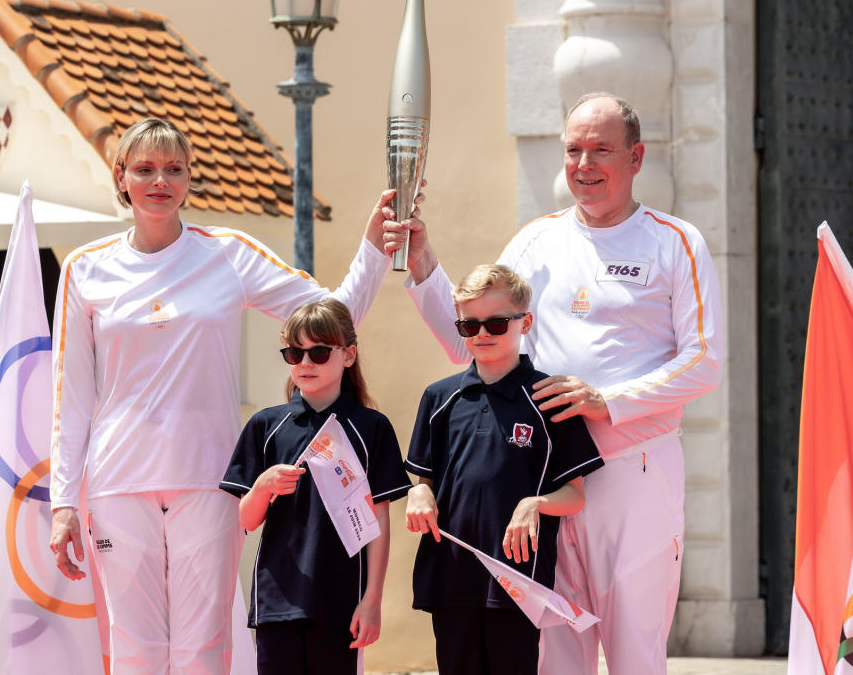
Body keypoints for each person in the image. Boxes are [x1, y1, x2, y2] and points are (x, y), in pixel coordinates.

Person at [384, 93, 723, 675]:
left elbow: (705, 360)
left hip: (630, 472)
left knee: (634, 651)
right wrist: (423, 263)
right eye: (573, 150)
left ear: (636, 157)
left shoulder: (675, 242)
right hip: (540, 480)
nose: (584, 165)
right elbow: (479, 333)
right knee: (550, 654)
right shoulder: (536, 241)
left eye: (601, 150)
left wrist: (607, 401)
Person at [48, 118, 395, 674]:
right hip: (117, 482)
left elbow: (333, 318)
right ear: (122, 177)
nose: (159, 180)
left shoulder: (228, 255)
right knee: (133, 647)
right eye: (145, 169)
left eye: (174, 169)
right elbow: (72, 393)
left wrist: (373, 248)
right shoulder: (85, 269)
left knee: (203, 646)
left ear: (189, 178)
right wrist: (64, 502)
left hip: (209, 479)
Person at [403, 264, 603, 675]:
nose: (481, 335)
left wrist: (534, 502)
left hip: (517, 582)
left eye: (495, 323)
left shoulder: (549, 399)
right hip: (450, 576)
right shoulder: (439, 398)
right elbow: (424, 479)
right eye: (468, 325)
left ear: (524, 322)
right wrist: (418, 491)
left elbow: (575, 496)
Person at [220, 299, 411, 674]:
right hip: (277, 600)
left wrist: (371, 600)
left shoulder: (372, 428)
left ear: (348, 355)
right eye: (295, 353)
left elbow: (378, 523)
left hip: (342, 602)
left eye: (319, 353)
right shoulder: (266, 424)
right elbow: (245, 519)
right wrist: (261, 487)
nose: (305, 364)